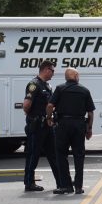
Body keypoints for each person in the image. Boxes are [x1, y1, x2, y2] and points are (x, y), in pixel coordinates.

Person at [46, 68, 95, 195]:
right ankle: (78, 186)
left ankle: (66, 186)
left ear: (66, 77)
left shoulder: (60, 89)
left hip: (62, 124)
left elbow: (50, 106)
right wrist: (89, 129)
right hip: (79, 125)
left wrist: (49, 118)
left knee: (61, 155)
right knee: (79, 155)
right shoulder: (84, 90)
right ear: (76, 76)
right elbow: (90, 112)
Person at [22, 60, 60, 192]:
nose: (53, 73)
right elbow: (26, 105)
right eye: (52, 70)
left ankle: (61, 182)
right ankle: (29, 183)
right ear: (45, 69)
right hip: (37, 125)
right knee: (33, 154)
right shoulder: (34, 85)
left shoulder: (47, 86)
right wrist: (34, 117)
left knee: (54, 154)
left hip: (47, 125)